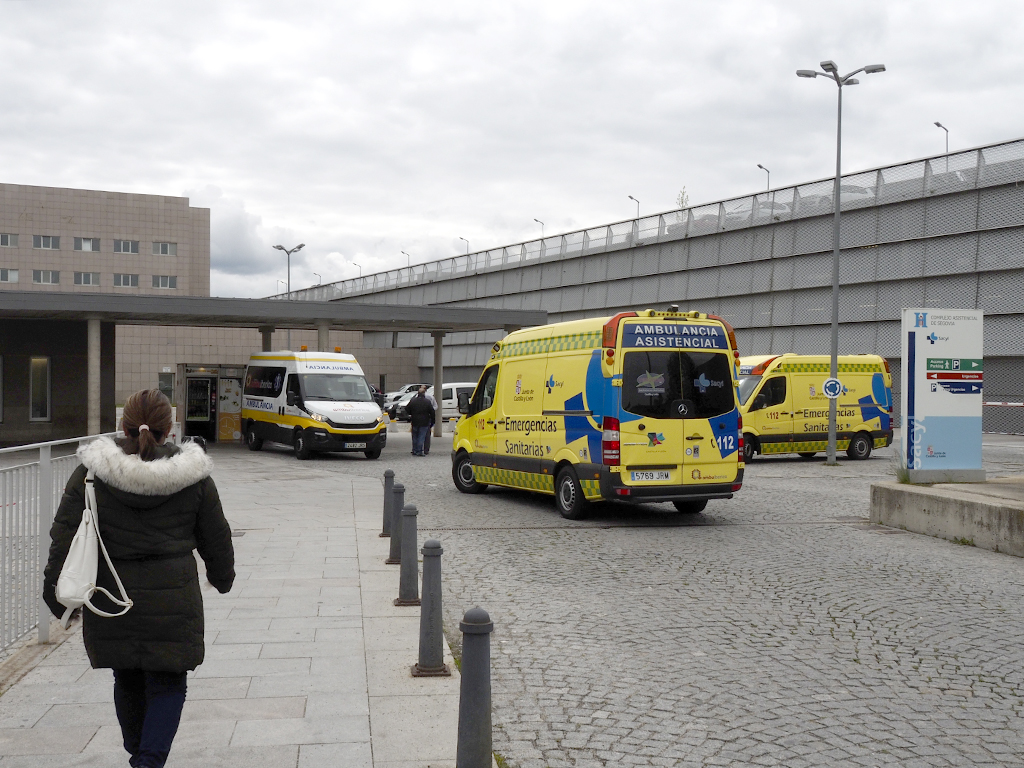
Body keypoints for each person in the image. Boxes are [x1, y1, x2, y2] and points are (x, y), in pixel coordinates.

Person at [43, 389, 235, 768]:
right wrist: (222, 577)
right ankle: (148, 760)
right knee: (168, 683)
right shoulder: (193, 477)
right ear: (169, 430)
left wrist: (57, 598)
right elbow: (217, 536)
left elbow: (64, 536)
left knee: (126, 676)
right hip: (174, 597)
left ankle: (140, 755)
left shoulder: (91, 475)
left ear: (123, 426)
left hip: (112, 596)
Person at [406, 385, 434, 457]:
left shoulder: (413, 401)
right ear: (424, 393)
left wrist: (411, 414)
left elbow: (407, 409)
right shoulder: (427, 402)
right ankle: (419, 451)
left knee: (415, 436)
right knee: (421, 436)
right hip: (424, 422)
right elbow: (432, 412)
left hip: (415, 421)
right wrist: (432, 421)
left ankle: (414, 450)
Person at [423, 388, 439, 455]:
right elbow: (436, 406)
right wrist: (431, 411)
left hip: (418, 419)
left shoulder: (417, 397)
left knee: (417, 435)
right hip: (428, 417)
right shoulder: (431, 397)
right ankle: (426, 449)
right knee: (427, 435)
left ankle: (417, 449)